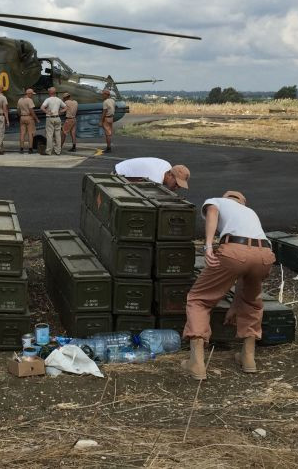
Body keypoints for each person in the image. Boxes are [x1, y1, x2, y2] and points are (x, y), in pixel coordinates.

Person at [183, 191, 275, 380]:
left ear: (227, 198)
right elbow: (244, 274)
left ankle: (197, 362)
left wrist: (208, 245)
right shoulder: (250, 212)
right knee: (252, 302)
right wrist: (235, 305)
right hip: (264, 254)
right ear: (243, 202)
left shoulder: (217, 202)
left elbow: (212, 212)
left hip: (235, 250)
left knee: (199, 299)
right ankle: (248, 358)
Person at [114, 157, 190, 192]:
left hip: (125, 169)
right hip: (118, 174)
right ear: (170, 175)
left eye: (180, 186)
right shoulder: (155, 180)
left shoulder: (167, 166)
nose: (177, 187)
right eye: (176, 183)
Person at [39, 86, 66, 155]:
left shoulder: (48, 99)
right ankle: (58, 151)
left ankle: (48, 151)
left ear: (49, 92)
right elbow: (66, 107)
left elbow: (42, 108)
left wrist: (47, 112)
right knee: (58, 135)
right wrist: (60, 112)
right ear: (55, 92)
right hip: (57, 118)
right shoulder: (59, 100)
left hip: (50, 118)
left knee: (49, 135)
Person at [16, 88, 39, 154]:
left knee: (22, 133)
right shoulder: (29, 100)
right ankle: (30, 149)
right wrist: (36, 119)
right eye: (32, 94)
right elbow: (31, 111)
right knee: (30, 133)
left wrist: (20, 115)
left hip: (22, 117)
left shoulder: (20, 100)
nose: (32, 95)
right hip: (29, 117)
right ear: (29, 94)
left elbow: (18, 110)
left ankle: (21, 148)